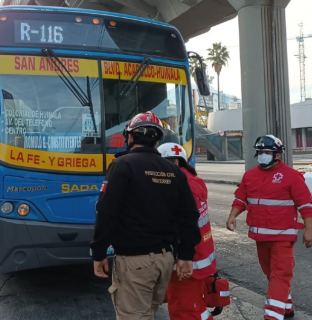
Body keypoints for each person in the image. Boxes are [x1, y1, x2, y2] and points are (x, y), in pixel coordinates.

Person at [90, 111, 201, 320]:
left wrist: (98, 252)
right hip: (165, 260)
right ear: (157, 141)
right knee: (148, 312)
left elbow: (107, 213)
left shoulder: (122, 166)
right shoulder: (174, 170)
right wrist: (186, 254)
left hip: (135, 261)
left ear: (129, 137)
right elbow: (189, 215)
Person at [226, 135, 312, 320]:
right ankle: (286, 308)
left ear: (277, 155)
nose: (263, 155)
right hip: (260, 237)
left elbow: (305, 204)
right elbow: (241, 199)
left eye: (267, 152)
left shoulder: (291, 176)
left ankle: (272, 316)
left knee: (281, 275)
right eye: (260, 152)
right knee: (271, 274)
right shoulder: (250, 175)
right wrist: (233, 215)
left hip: (283, 236)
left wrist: (309, 229)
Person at [158, 143, 217, 320]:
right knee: (194, 307)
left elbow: (181, 225)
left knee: (184, 310)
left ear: (175, 162)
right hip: (199, 256)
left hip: (187, 260)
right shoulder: (194, 181)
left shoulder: (179, 185)